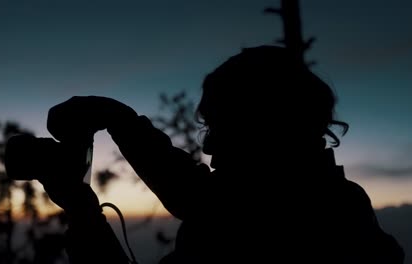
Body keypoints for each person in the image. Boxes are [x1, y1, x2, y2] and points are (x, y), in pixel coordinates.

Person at [41, 45, 404, 263]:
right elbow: (198, 194)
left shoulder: (299, 217)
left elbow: (205, 200)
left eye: (220, 128)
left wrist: (83, 215)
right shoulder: (334, 202)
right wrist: (116, 118)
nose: (209, 147)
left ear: (266, 130)